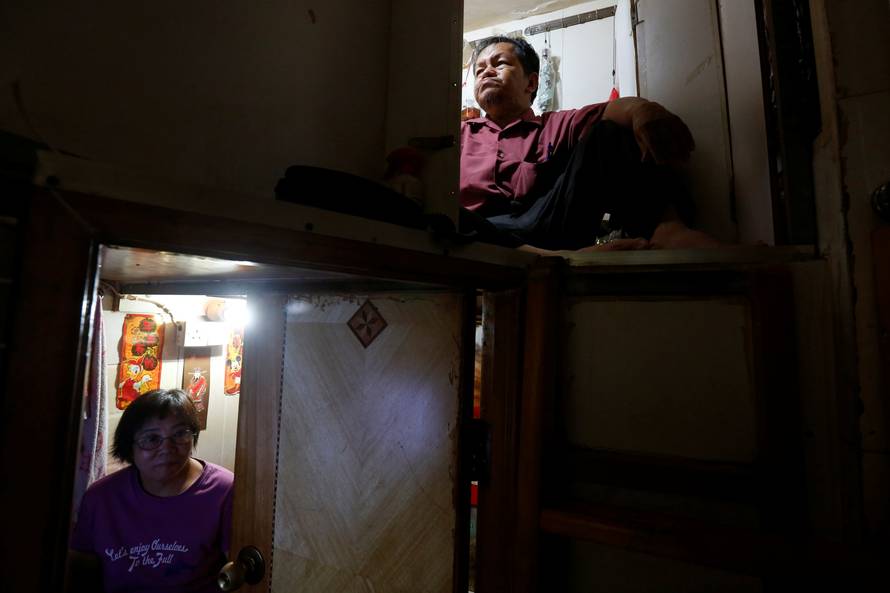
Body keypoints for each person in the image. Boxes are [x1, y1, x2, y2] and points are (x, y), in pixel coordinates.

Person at [460, 36, 721, 254]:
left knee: (609, 131)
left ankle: (666, 228)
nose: (487, 72)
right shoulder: (459, 135)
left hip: (548, 225)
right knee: (447, 215)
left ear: (531, 82)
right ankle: (553, 258)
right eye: (480, 69)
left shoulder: (555, 124)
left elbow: (613, 110)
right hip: (480, 235)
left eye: (500, 63)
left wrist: (645, 111)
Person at [70, 389, 234, 593]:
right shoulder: (100, 498)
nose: (167, 448)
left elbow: (238, 571)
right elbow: (79, 567)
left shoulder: (224, 490)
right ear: (129, 446)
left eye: (180, 434)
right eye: (151, 438)